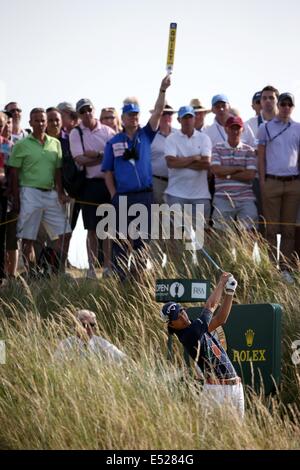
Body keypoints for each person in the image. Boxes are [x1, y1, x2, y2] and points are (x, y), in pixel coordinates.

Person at [102, 74, 171, 280]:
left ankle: (140, 280)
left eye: (136, 114)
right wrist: (114, 195)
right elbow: (107, 172)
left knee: (143, 242)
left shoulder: (146, 135)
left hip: (145, 196)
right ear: (122, 119)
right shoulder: (113, 142)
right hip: (123, 197)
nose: (134, 117)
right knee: (122, 242)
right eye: (129, 115)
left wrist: (162, 90)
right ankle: (122, 282)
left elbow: (158, 111)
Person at [160, 272, 244, 419]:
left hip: (235, 386)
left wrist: (230, 292)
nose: (182, 316)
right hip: (216, 390)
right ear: (171, 324)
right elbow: (211, 306)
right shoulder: (189, 335)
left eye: (181, 311)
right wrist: (221, 283)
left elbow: (220, 319)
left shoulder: (195, 328)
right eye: (176, 317)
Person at [8, 107, 71, 277]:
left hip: (50, 192)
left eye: (43, 120)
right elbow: (13, 173)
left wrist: (59, 192)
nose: (41, 123)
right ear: (30, 123)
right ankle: (32, 273)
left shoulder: (55, 143)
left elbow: (57, 171)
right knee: (28, 238)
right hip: (29, 192)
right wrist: (16, 198)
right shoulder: (21, 144)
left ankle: (48, 266)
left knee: (65, 233)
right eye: (37, 120)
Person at [69, 98, 115, 279]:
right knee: (92, 229)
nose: (87, 113)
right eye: (82, 111)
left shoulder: (108, 131)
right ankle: (91, 268)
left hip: (107, 183)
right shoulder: (76, 133)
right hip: (89, 185)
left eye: (89, 109)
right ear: (79, 114)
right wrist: (103, 158)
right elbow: (79, 159)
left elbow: (112, 156)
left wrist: (96, 155)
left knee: (108, 228)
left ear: (93, 110)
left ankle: (108, 267)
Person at [257, 92, 300, 283]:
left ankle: (285, 269)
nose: (286, 108)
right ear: (279, 105)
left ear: (292, 107)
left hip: (293, 183)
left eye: (289, 105)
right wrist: (263, 182)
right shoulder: (264, 128)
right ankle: (271, 267)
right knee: (271, 229)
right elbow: (261, 156)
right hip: (272, 182)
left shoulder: (298, 128)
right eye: (283, 104)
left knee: (289, 230)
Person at [211, 116, 257, 231]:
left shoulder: (248, 150)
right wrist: (239, 169)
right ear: (226, 129)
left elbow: (250, 175)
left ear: (242, 130)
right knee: (222, 236)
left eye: (238, 128)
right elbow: (216, 170)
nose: (235, 131)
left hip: (245, 197)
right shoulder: (217, 148)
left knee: (249, 233)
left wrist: (227, 174)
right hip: (223, 197)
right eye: (232, 128)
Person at [54, 309, 126, 363]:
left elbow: (123, 358)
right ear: (76, 326)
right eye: (84, 325)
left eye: (92, 324)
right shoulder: (66, 345)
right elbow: (56, 365)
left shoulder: (102, 344)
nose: (88, 327)